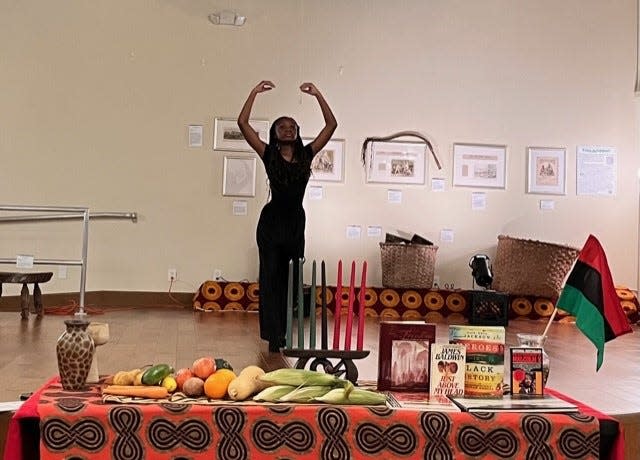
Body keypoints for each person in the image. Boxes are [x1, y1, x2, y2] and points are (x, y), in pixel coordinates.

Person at [238, 80, 337, 352]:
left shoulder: (306, 155)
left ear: (297, 132)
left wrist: (318, 94)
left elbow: (331, 126)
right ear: (274, 132)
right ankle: (273, 337)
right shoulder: (268, 154)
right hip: (270, 225)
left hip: (295, 224)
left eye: (292, 126)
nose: (288, 129)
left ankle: (284, 331)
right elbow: (243, 124)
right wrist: (253, 93)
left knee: (290, 280)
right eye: (282, 126)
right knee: (271, 279)